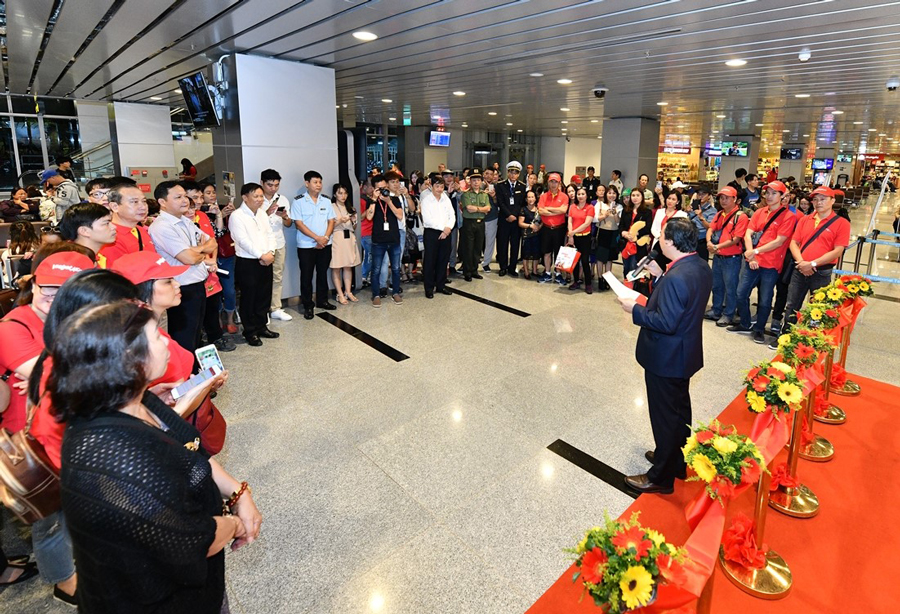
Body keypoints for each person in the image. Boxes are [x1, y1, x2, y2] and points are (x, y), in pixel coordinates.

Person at [50, 300, 260, 613]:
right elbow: (189, 541)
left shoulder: (137, 399)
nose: (166, 342)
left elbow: (189, 446)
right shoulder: (116, 458)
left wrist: (239, 492)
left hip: (198, 587)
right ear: (128, 359)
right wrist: (234, 525)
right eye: (156, 337)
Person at [1, 249, 94, 605]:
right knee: (50, 521)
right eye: (47, 287)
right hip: (29, 442)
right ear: (34, 284)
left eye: (65, 290)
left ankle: (75, 566)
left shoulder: (69, 323)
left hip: (65, 432)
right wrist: (57, 375)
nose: (53, 297)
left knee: (70, 511)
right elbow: (72, 378)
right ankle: (63, 583)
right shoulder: (14, 327)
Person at [616, 218, 712, 494]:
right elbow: (682, 302)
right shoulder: (698, 266)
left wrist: (633, 309)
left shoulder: (677, 277)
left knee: (664, 416)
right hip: (685, 352)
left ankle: (660, 477)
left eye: (662, 237)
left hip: (666, 357)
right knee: (679, 411)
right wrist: (660, 276)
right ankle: (675, 460)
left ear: (670, 243)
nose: (659, 241)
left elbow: (666, 321)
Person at [774, 186, 851, 346]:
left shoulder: (841, 223)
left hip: (821, 272)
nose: (818, 202)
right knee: (792, 304)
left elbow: (838, 251)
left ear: (832, 201)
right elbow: (794, 243)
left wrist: (813, 264)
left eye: (823, 199)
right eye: (815, 199)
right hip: (799, 269)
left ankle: (811, 340)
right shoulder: (804, 219)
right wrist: (802, 262)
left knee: (817, 308)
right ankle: (786, 337)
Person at [148, 181, 218, 354]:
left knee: (195, 336)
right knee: (184, 339)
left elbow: (212, 242)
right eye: (178, 197)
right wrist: (199, 252)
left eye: (185, 196)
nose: (185, 201)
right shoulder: (162, 226)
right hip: (182, 288)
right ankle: (185, 378)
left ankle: (194, 373)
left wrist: (195, 251)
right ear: (162, 202)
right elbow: (188, 258)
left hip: (197, 284)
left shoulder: (185, 221)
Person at [728, 180, 796, 344]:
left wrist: (755, 252)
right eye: (767, 193)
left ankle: (758, 329)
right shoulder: (759, 212)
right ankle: (745, 322)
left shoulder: (788, 216)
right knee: (740, 293)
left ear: (782, 196)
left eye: (774, 193)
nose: (770, 196)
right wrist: (751, 255)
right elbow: (748, 233)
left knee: (765, 299)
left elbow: (779, 241)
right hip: (752, 261)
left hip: (771, 265)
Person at [183, 188, 234, 353]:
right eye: (192, 199)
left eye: (198, 198)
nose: (197, 203)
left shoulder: (202, 216)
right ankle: (196, 344)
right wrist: (206, 260)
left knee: (212, 306)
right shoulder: (179, 223)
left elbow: (214, 241)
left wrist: (212, 260)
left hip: (210, 271)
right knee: (193, 315)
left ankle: (216, 337)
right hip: (191, 273)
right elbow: (187, 251)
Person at [229, 183, 279, 346]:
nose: (259, 199)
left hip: (267, 259)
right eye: (256, 196)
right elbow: (242, 241)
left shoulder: (262, 214)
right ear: (245, 197)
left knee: (264, 295)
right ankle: (250, 331)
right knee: (249, 297)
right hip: (248, 262)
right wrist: (261, 255)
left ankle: (261, 326)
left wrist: (271, 253)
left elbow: (270, 235)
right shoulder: (237, 216)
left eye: (260, 196)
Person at [292, 171, 336, 319]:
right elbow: (299, 224)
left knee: (322, 274)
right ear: (307, 183)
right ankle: (308, 306)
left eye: (320, 182)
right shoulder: (298, 201)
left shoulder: (326, 201)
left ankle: (322, 301)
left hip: (325, 244)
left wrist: (325, 238)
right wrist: (317, 238)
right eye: (315, 182)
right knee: (306, 276)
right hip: (306, 245)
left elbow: (331, 221)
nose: (318, 185)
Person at [704, 186, 748, 327]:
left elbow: (736, 238)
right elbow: (711, 228)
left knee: (731, 287)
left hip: (732, 258)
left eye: (727, 198)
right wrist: (709, 241)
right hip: (718, 257)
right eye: (721, 198)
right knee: (717, 285)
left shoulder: (740, 217)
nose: (723, 201)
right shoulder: (719, 214)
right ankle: (716, 310)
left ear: (735, 199)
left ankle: (728, 314)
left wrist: (716, 247)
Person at [260, 169, 294, 321]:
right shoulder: (256, 199)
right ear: (262, 183)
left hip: (279, 242)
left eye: (276, 185)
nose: (273, 188)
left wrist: (285, 216)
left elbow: (288, 224)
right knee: (262, 279)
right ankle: (262, 311)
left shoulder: (283, 199)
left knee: (277, 277)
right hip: (261, 245)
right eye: (269, 185)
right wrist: (266, 213)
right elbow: (253, 224)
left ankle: (275, 308)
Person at [366, 174, 404, 307]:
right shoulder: (372, 201)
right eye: (379, 188)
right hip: (378, 240)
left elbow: (399, 216)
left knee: (395, 268)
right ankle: (375, 294)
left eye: (384, 187)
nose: (383, 190)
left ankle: (395, 293)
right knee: (376, 269)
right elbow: (369, 217)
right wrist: (374, 200)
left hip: (394, 239)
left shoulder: (394, 199)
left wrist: (388, 202)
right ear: (374, 189)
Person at [98, 184, 157, 268]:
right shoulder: (110, 237)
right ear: (115, 206)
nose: (143, 207)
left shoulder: (140, 230)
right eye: (134, 202)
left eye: (144, 201)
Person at [419, 174, 455, 298]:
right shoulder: (426, 200)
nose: (440, 189)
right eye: (437, 186)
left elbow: (452, 215)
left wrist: (448, 229)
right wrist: (443, 229)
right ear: (431, 186)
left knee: (443, 260)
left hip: (446, 232)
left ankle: (441, 285)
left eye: (441, 186)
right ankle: (429, 288)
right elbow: (427, 220)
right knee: (430, 261)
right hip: (432, 233)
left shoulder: (446, 198)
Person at [330, 183, 361, 304]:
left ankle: (348, 291)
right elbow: (328, 225)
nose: (343, 196)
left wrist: (353, 221)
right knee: (337, 266)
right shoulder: (331, 207)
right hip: (337, 236)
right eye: (340, 193)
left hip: (349, 236)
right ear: (335, 194)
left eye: (345, 193)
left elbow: (355, 226)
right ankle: (340, 293)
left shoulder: (351, 208)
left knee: (348, 265)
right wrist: (339, 221)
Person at [58, 202, 117, 266]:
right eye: (106, 223)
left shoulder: (95, 257)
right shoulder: (73, 264)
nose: (114, 227)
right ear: (84, 231)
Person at [458, 168, 490, 282]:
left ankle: (474, 270)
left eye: (478, 180)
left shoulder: (484, 195)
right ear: (469, 182)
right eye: (473, 180)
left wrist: (477, 209)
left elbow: (488, 208)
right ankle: (467, 271)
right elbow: (469, 209)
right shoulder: (466, 194)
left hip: (480, 223)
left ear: (481, 181)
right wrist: (481, 209)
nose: (476, 182)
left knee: (477, 248)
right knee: (468, 248)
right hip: (469, 224)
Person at [537, 172, 569, 285]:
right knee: (547, 252)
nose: (553, 184)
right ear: (548, 183)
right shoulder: (543, 196)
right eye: (551, 181)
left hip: (559, 229)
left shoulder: (564, 196)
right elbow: (541, 211)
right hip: (546, 229)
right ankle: (547, 272)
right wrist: (556, 210)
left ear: (559, 183)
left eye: (556, 182)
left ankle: (558, 274)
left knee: (559, 253)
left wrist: (548, 209)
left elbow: (563, 210)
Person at [494, 161, 526, 277]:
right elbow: (501, 203)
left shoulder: (522, 186)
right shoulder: (500, 185)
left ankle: (512, 267)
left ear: (519, 174)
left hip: (516, 221)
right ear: (507, 173)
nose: (513, 175)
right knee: (502, 244)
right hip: (504, 219)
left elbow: (521, 204)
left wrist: (515, 216)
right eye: (511, 173)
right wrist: (508, 215)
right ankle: (503, 267)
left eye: (516, 173)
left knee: (515, 244)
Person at [618, 188, 653, 278]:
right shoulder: (626, 211)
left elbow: (648, 227)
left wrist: (635, 234)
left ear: (642, 197)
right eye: (633, 195)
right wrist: (624, 233)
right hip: (626, 243)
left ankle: (634, 288)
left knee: (634, 268)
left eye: (638, 195)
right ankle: (626, 286)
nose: (635, 198)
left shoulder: (647, 212)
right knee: (626, 267)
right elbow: (621, 226)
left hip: (638, 244)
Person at [566, 187, 595, 293]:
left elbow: (587, 223)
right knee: (575, 261)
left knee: (584, 261)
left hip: (585, 237)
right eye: (579, 194)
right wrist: (571, 235)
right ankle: (576, 281)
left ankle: (588, 284)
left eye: (583, 194)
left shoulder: (590, 207)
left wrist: (573, 232)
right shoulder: (572, 206)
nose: (580, 196)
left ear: (586, 195)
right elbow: (569, 221)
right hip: (574, 237)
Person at [650, 191, 688, 268]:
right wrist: (661, 237)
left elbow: (681, 232)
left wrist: (667, 239)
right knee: (655, 268)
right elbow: (654, 228)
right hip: (658, 244)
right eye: (669, 198)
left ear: (678, 202)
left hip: (672, 246)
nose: (670, 201)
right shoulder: (659, 212)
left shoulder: (682, 215)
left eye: (673, 199)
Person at [593, 184, 621, 290]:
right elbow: (594, 219)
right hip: (602, 233)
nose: (611, 195)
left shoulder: (619, 206)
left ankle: (607, 279)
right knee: (600, 258)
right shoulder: (599, 204)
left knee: (609, 259)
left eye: (614, 193)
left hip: (613, 233)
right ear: (606, 194)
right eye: (609, 193)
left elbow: (619, 222)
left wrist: (615, 214)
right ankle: (600, 278)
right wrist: (604, 215)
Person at [687, 187, 717, 261]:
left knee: (701, 264)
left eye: (703, 194)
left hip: (701, 240)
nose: (701, 196)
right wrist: (687, 211)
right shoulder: (693, 206)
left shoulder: (712, 210)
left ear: (709, 196)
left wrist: (701, 217)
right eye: (699, 194)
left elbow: (710, 227)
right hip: (689, 239)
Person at [518, 191, 542, 280]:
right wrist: (530, 226)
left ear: (535, 198)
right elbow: (520, 223)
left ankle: (535, 271)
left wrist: (539, 227)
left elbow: (542, 221)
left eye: (532, 197)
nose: (531, 199)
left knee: (536, 253)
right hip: (527, 235)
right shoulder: (523, 209)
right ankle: (527, 272)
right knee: (526, 254)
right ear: (526, 199)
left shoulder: (539, 210)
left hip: (537, 234)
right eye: (529, 197)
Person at [480, 169, 499, 273]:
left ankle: (486, 263)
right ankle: (471, 263)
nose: (488, 176)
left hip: (492, 217)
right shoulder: (478, 185)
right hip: (478, 217)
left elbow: (499, 203)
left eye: (491, 174)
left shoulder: (497, 187)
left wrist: (494, 196)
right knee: (476, 242)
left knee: (490, 242)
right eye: (486, 174)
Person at [358, 176, 375, 287]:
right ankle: (363, 276)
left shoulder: (366, 198)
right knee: (370, 256)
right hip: (365, 232)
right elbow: (360, 217)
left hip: (370, 231)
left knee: (370, 256)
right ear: (364, 187)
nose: (373, 189)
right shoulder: (361, 199)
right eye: (371, 187)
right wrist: (370, 207)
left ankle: (366, 276)